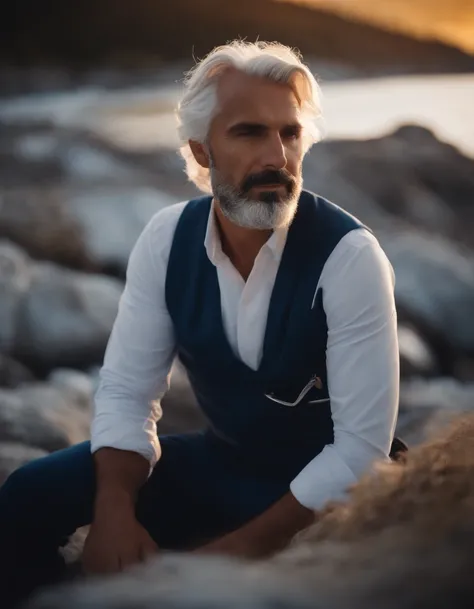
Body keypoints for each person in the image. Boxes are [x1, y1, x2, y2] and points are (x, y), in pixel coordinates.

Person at [0, 40, 400, 606]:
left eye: (289, 134)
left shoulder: (350, 257)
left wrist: (226, 557)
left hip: (323, 493)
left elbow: (361, 451)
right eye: (249, 133)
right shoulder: (166, 238)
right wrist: (112, 508)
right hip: (220, 463)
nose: (277, 158)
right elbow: (127, 391)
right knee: (25, 494)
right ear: (202, 150)